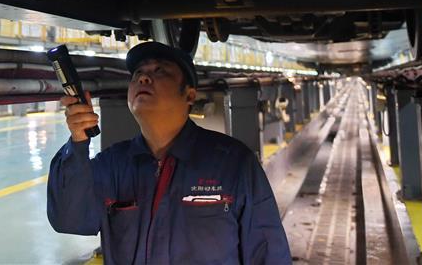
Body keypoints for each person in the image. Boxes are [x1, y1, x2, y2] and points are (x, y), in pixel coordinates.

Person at [47, 41, 292, 264]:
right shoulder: (112, 164)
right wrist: (78, 142)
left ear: (190, 95)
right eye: (138, 74)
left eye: (159, 71)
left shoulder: (232, 162)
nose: (143, 78)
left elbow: (267, 251)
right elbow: (70, 219)